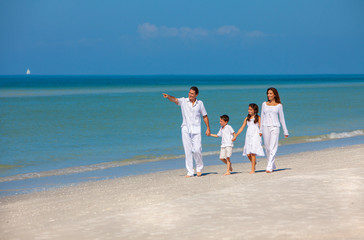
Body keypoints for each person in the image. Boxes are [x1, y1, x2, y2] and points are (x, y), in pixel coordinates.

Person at [163, 86, 211, 177]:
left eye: (192, 94)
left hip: (196, 130)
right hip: (185, 129)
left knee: (197, 150)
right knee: (187, 151)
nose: (190, 95)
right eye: (189, 93)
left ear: (196, 94)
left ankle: (199, 168)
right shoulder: (184, 101)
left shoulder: (200, 103)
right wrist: (168, 96)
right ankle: (190, 171)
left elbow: (205, 116)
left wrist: (208, 128)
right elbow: (175, 100)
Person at [260, 87, 289, 173]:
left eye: (270, 93)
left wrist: (285, 131)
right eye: (268, 93)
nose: (268, 95)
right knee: (267, 148)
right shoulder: (264, 104)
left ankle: (269, 166)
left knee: (273, 147)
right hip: (265, 127)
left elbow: (282, 119)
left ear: (274, 95)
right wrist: (260, 130)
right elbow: (262, 117)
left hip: (275, 127)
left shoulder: (279, 106)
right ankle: (272, 164)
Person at [232, 103, 265, 174]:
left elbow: (261, 126)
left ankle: (253, 169)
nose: (249, 111)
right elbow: (242, 128)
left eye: (251, 109)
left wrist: (261, 132)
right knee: (248, 154)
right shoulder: (247, 118)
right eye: (248, 109)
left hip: (256, 135)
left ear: (255, 110)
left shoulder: (258, 117)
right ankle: (254, 163)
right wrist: (236, 135)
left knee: (253, 152)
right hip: (248, 136)